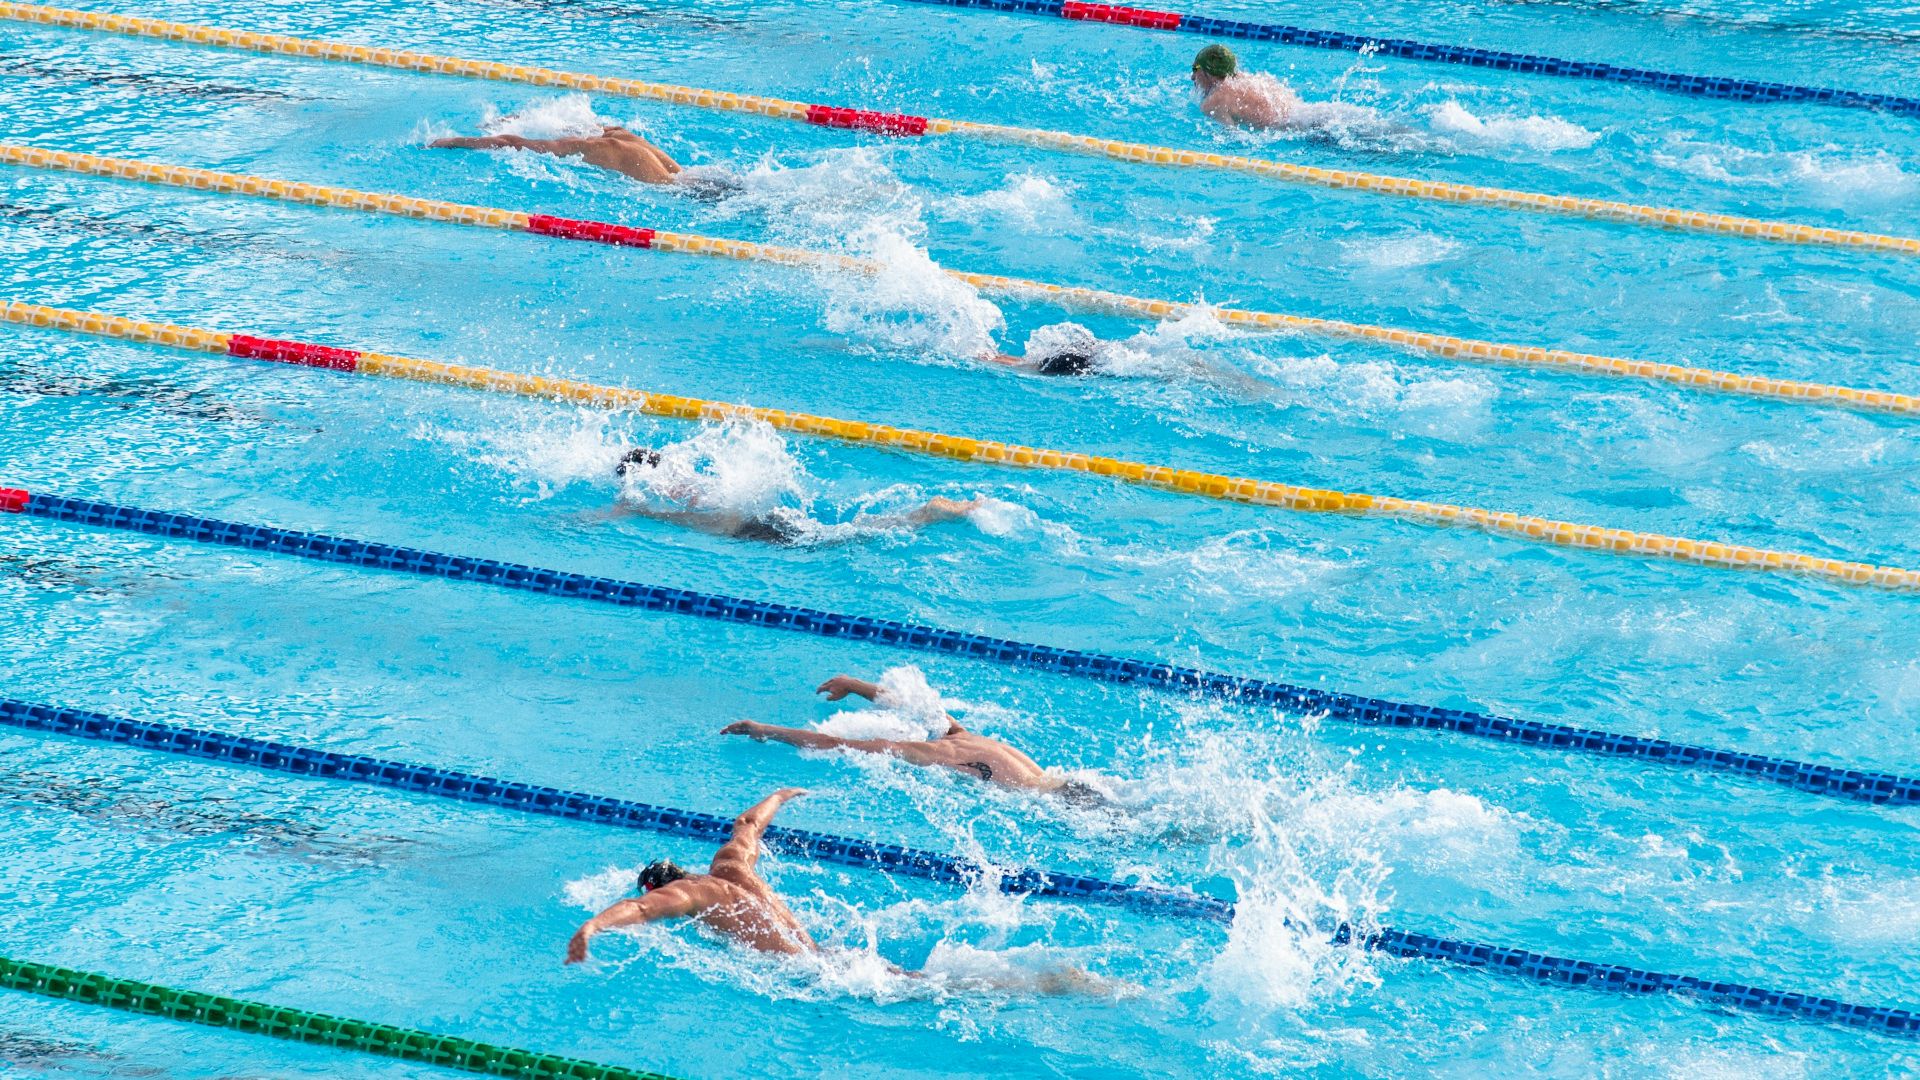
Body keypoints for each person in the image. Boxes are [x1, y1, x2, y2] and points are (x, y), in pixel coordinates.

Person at [721, 674, 1108, 807]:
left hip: (1056, 806)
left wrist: (767, 730)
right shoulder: (963, 733)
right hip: (1072, 787)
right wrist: (855, 685)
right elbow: (916, 705)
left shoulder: (927, 752)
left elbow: (833, 743)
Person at [567, 788, 815, 961]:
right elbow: (748, 823)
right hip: (822, 956)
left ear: (657, 890)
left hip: (799, 974)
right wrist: (780, 795)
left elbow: (642, 909)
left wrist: (592, 926)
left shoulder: (687, 894)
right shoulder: (730, 863)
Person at [613, 447, 984, 545]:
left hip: (751, 528)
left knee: (842, 537)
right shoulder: (692, 477)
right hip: (763, 518)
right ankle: (920, 514)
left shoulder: (678, 492)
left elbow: (706, 520)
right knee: (841, 530)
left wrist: (640, 511)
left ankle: (925, 514)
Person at [430, 124, 683, 184]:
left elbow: (513, 143)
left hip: (680, 196)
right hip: (697, 180)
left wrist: (456, 141)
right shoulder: (619, 134)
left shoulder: (588, 148)